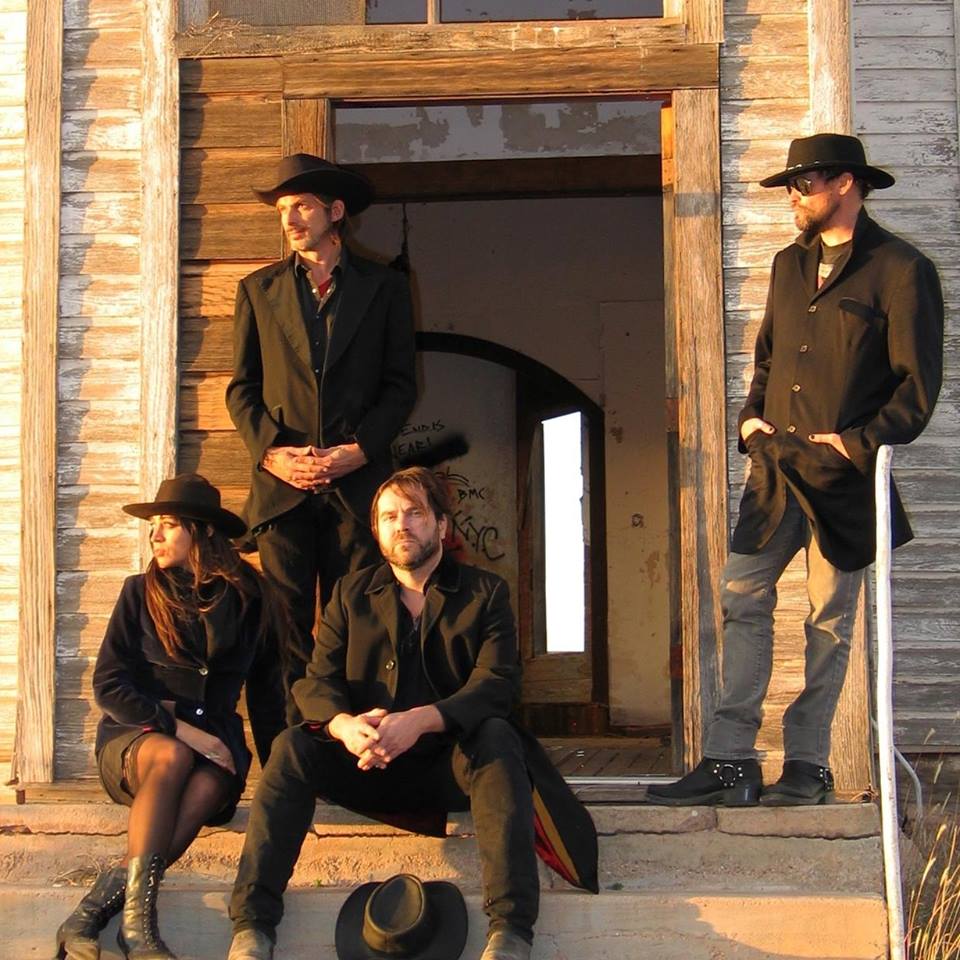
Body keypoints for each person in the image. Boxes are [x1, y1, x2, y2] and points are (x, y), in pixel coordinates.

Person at [647, 133, 943, 808]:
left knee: (829, 622)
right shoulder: (788, 264)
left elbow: (916, 388)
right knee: (741, 597)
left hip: (843, 480)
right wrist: (750, 419)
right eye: (789, 185)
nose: (792, 196)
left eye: (803, 184)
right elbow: (769, 356)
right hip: (774, 472)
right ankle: (731, 761)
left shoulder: (902, 269)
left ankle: (808, 766)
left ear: (845, 183)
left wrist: (854, 443)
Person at [225, 467, 598, 960]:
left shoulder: (486, 592)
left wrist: (420, 720)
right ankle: (253, 926)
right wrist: (344, 726)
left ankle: (510, 931)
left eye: (414, 513)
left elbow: (497, 685)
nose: (401, 525)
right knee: (292, 746)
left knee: (497, 737)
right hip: (366, 765)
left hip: (449, 770)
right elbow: (315, 683)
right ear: (376, 531)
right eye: (389, 517)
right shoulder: (350, 594)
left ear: (441, 525)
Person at [225, 153, 418, 741]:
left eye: (302, 206)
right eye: (283, 209)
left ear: (335, 212)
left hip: (356, 488)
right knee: (285, 631)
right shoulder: (257, 290)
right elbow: (241, 390)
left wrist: (360, 450)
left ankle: (351, 748)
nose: (290, 219)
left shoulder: (385, 286)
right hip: (281, 492)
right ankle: (289, 752)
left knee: (356, 624)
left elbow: (400, 387)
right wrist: (272, 454)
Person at [55, 474, 282, 960]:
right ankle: (139, 930)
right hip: (137, 740)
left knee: (210, 783)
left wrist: (280, 778)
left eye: (169, 524)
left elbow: (268, 695)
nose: (155, 535)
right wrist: (179, 728)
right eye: (153, 525)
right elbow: (108, 685)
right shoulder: (139, 592)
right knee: (173, 756)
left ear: (202, 531)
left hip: (216, 746)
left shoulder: (252, 598)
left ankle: (90, 913)